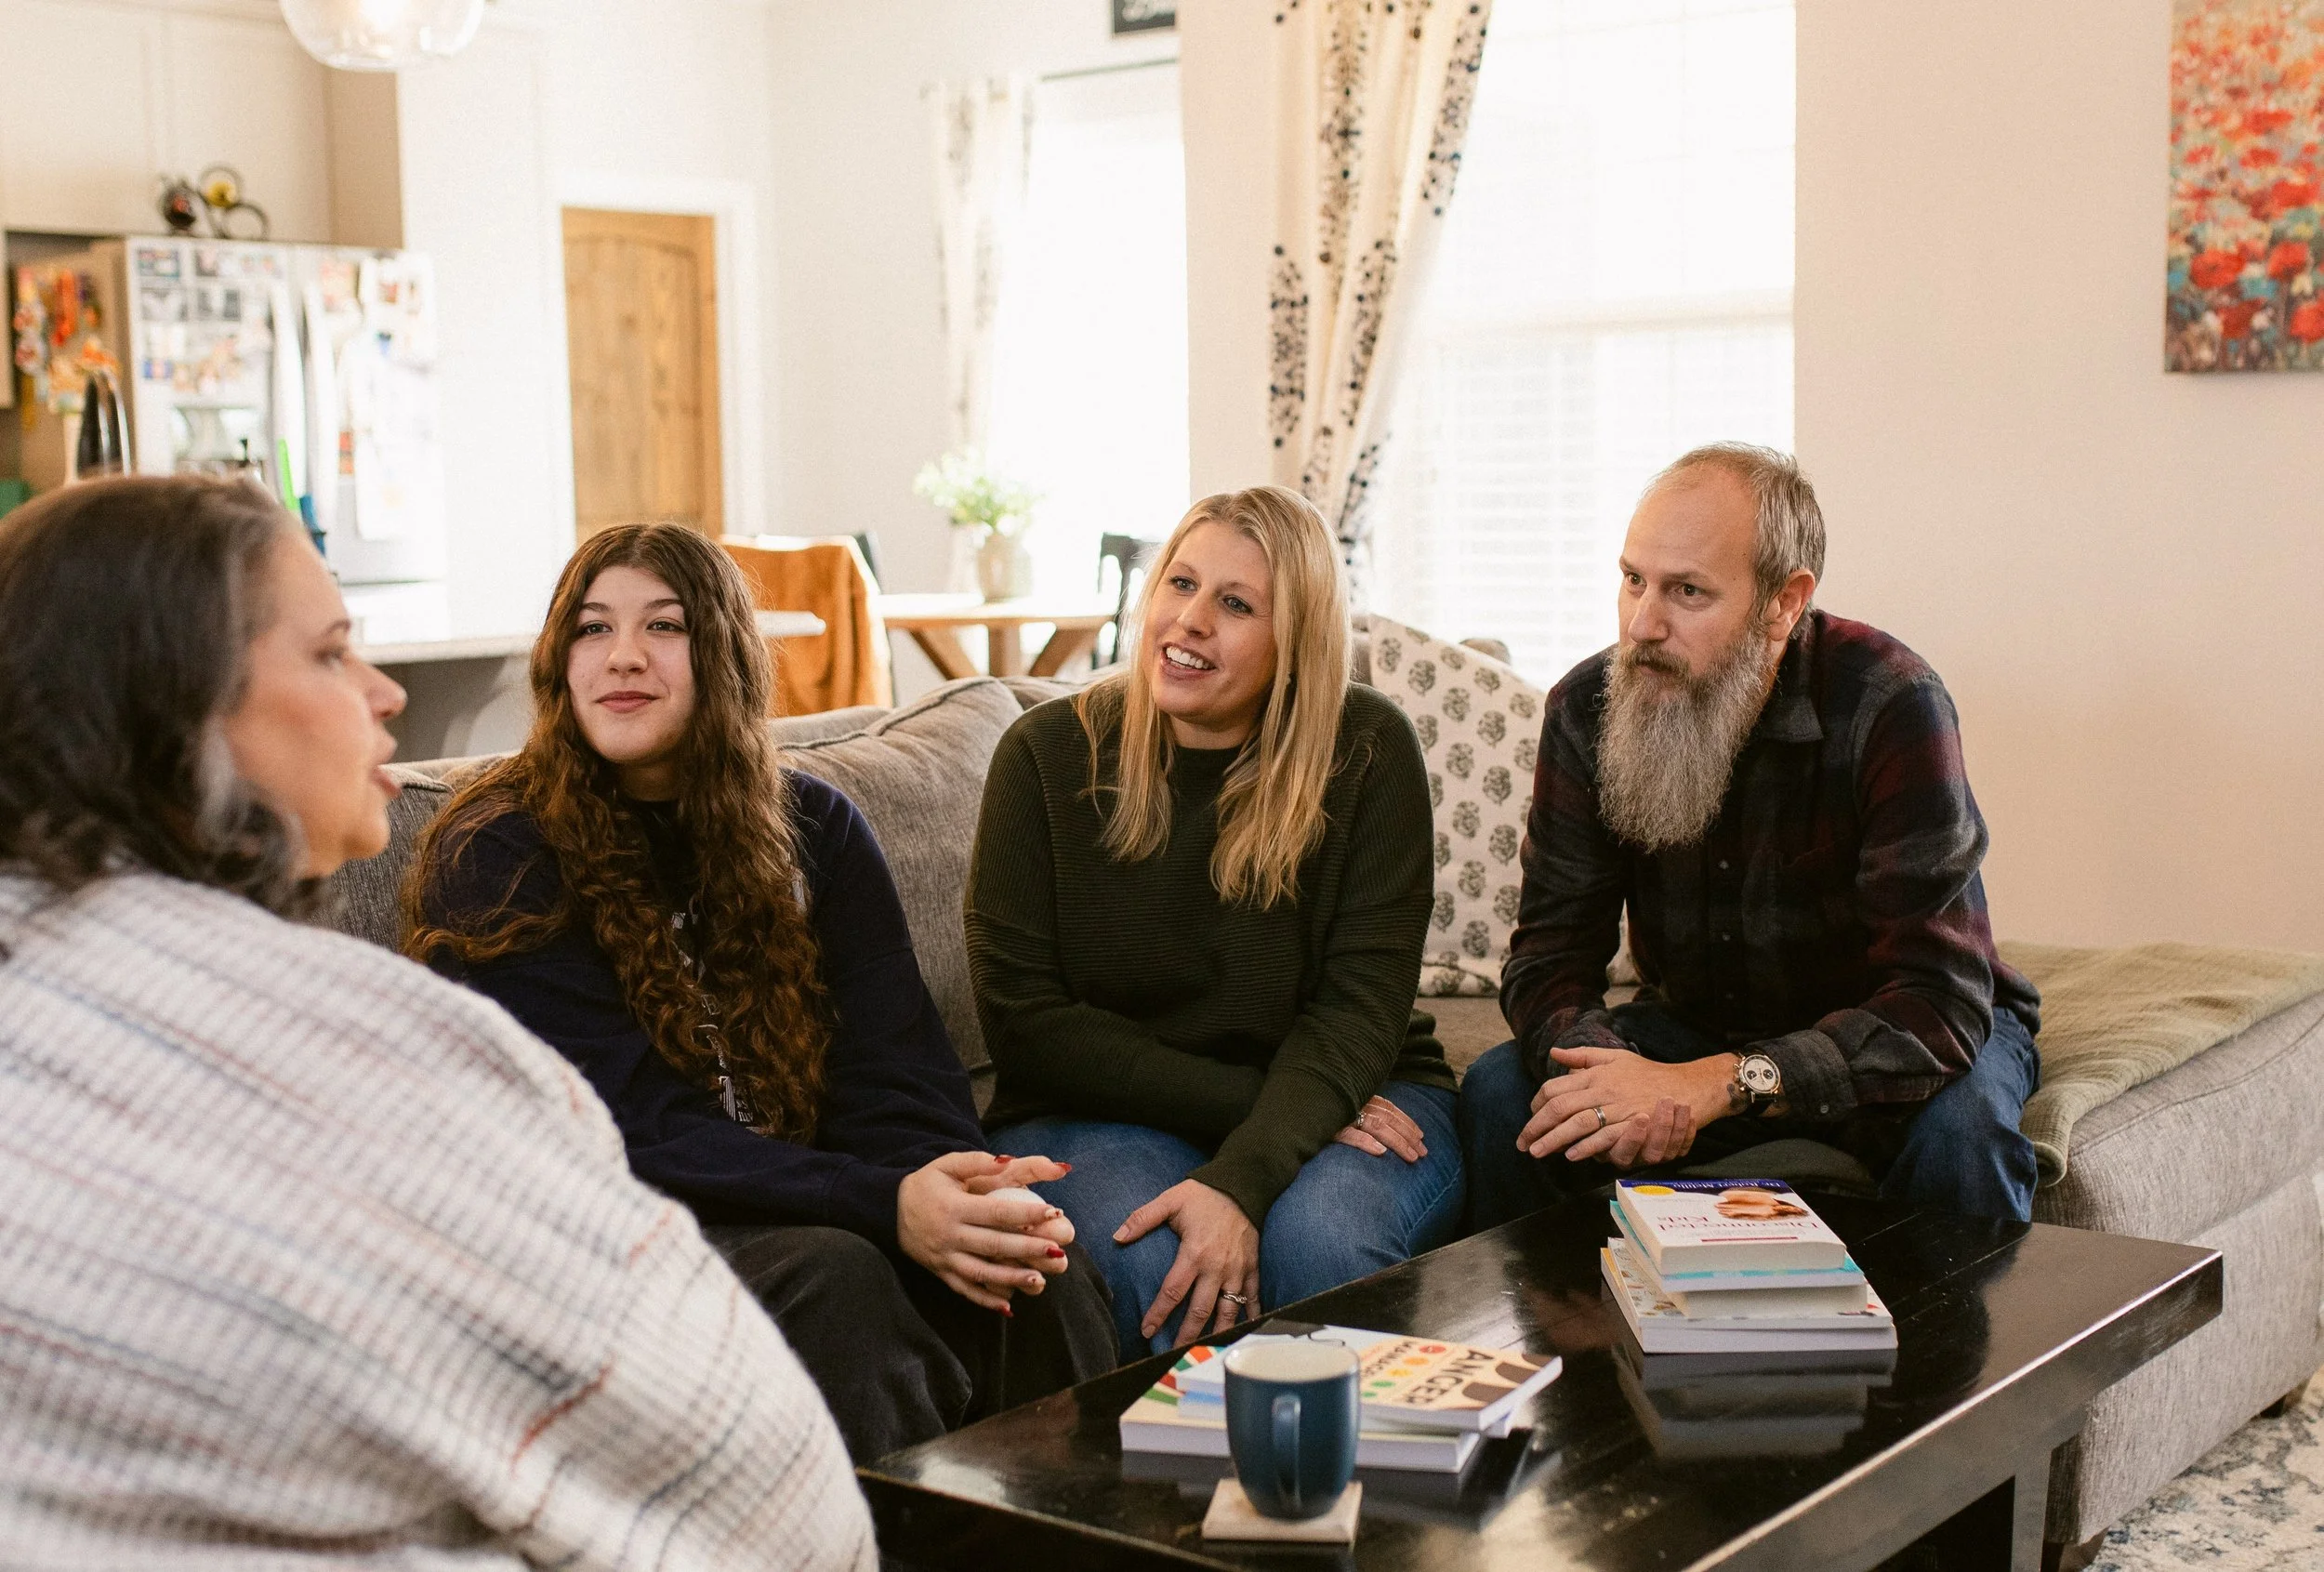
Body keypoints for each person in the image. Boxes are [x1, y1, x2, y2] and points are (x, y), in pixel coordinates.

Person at [0, 477, 873, 1568]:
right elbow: (775, 1492)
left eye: (666, 627)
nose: (384, 692)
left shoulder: (812, 827)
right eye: (329, 653)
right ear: (167, 706)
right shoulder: (381, 1057)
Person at [406, 522, 1114, 1463]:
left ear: (725, 655)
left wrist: (957, 1197)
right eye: (591, 628)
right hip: (601, 1232)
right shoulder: (501, 851)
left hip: (805, 1199)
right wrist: (884, 1199)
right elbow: (628, 1131)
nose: (623, 655)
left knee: (1033, 1265)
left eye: (665, 626)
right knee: (839, 1279)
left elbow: (899, 1069)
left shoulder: (813, 825)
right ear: (558, 661)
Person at [1459, 443, 2044, 1229]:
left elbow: (1939, 1001)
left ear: (1784, 602)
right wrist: (1613, 1073)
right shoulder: (1585, 710)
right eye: (1633, 579)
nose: (1642, 623)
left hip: (1893, 1034)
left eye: (1687, 591)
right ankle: (1577, 1343)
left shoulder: (1892, 704)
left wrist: (1718, 1083)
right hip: (1698, 1022)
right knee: (1507, 1095)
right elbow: (1548, 959)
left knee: (1963, 1138)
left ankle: (1956, 1355)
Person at [969, 485, 1464, 1360]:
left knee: (1324, 1248)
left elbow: (1357, 1008)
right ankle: (1181, 1498)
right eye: (1180, 583)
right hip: (1095, 1108)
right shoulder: (1045, 756)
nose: (1190, 621)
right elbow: (1028, 1027)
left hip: (1347, 1086)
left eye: (1235, 604)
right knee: (1163, 1265)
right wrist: (1254, 1122)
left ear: (1296, 642)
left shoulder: (1368, 750)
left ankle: (1363, 1494)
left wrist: (1246, 1168)